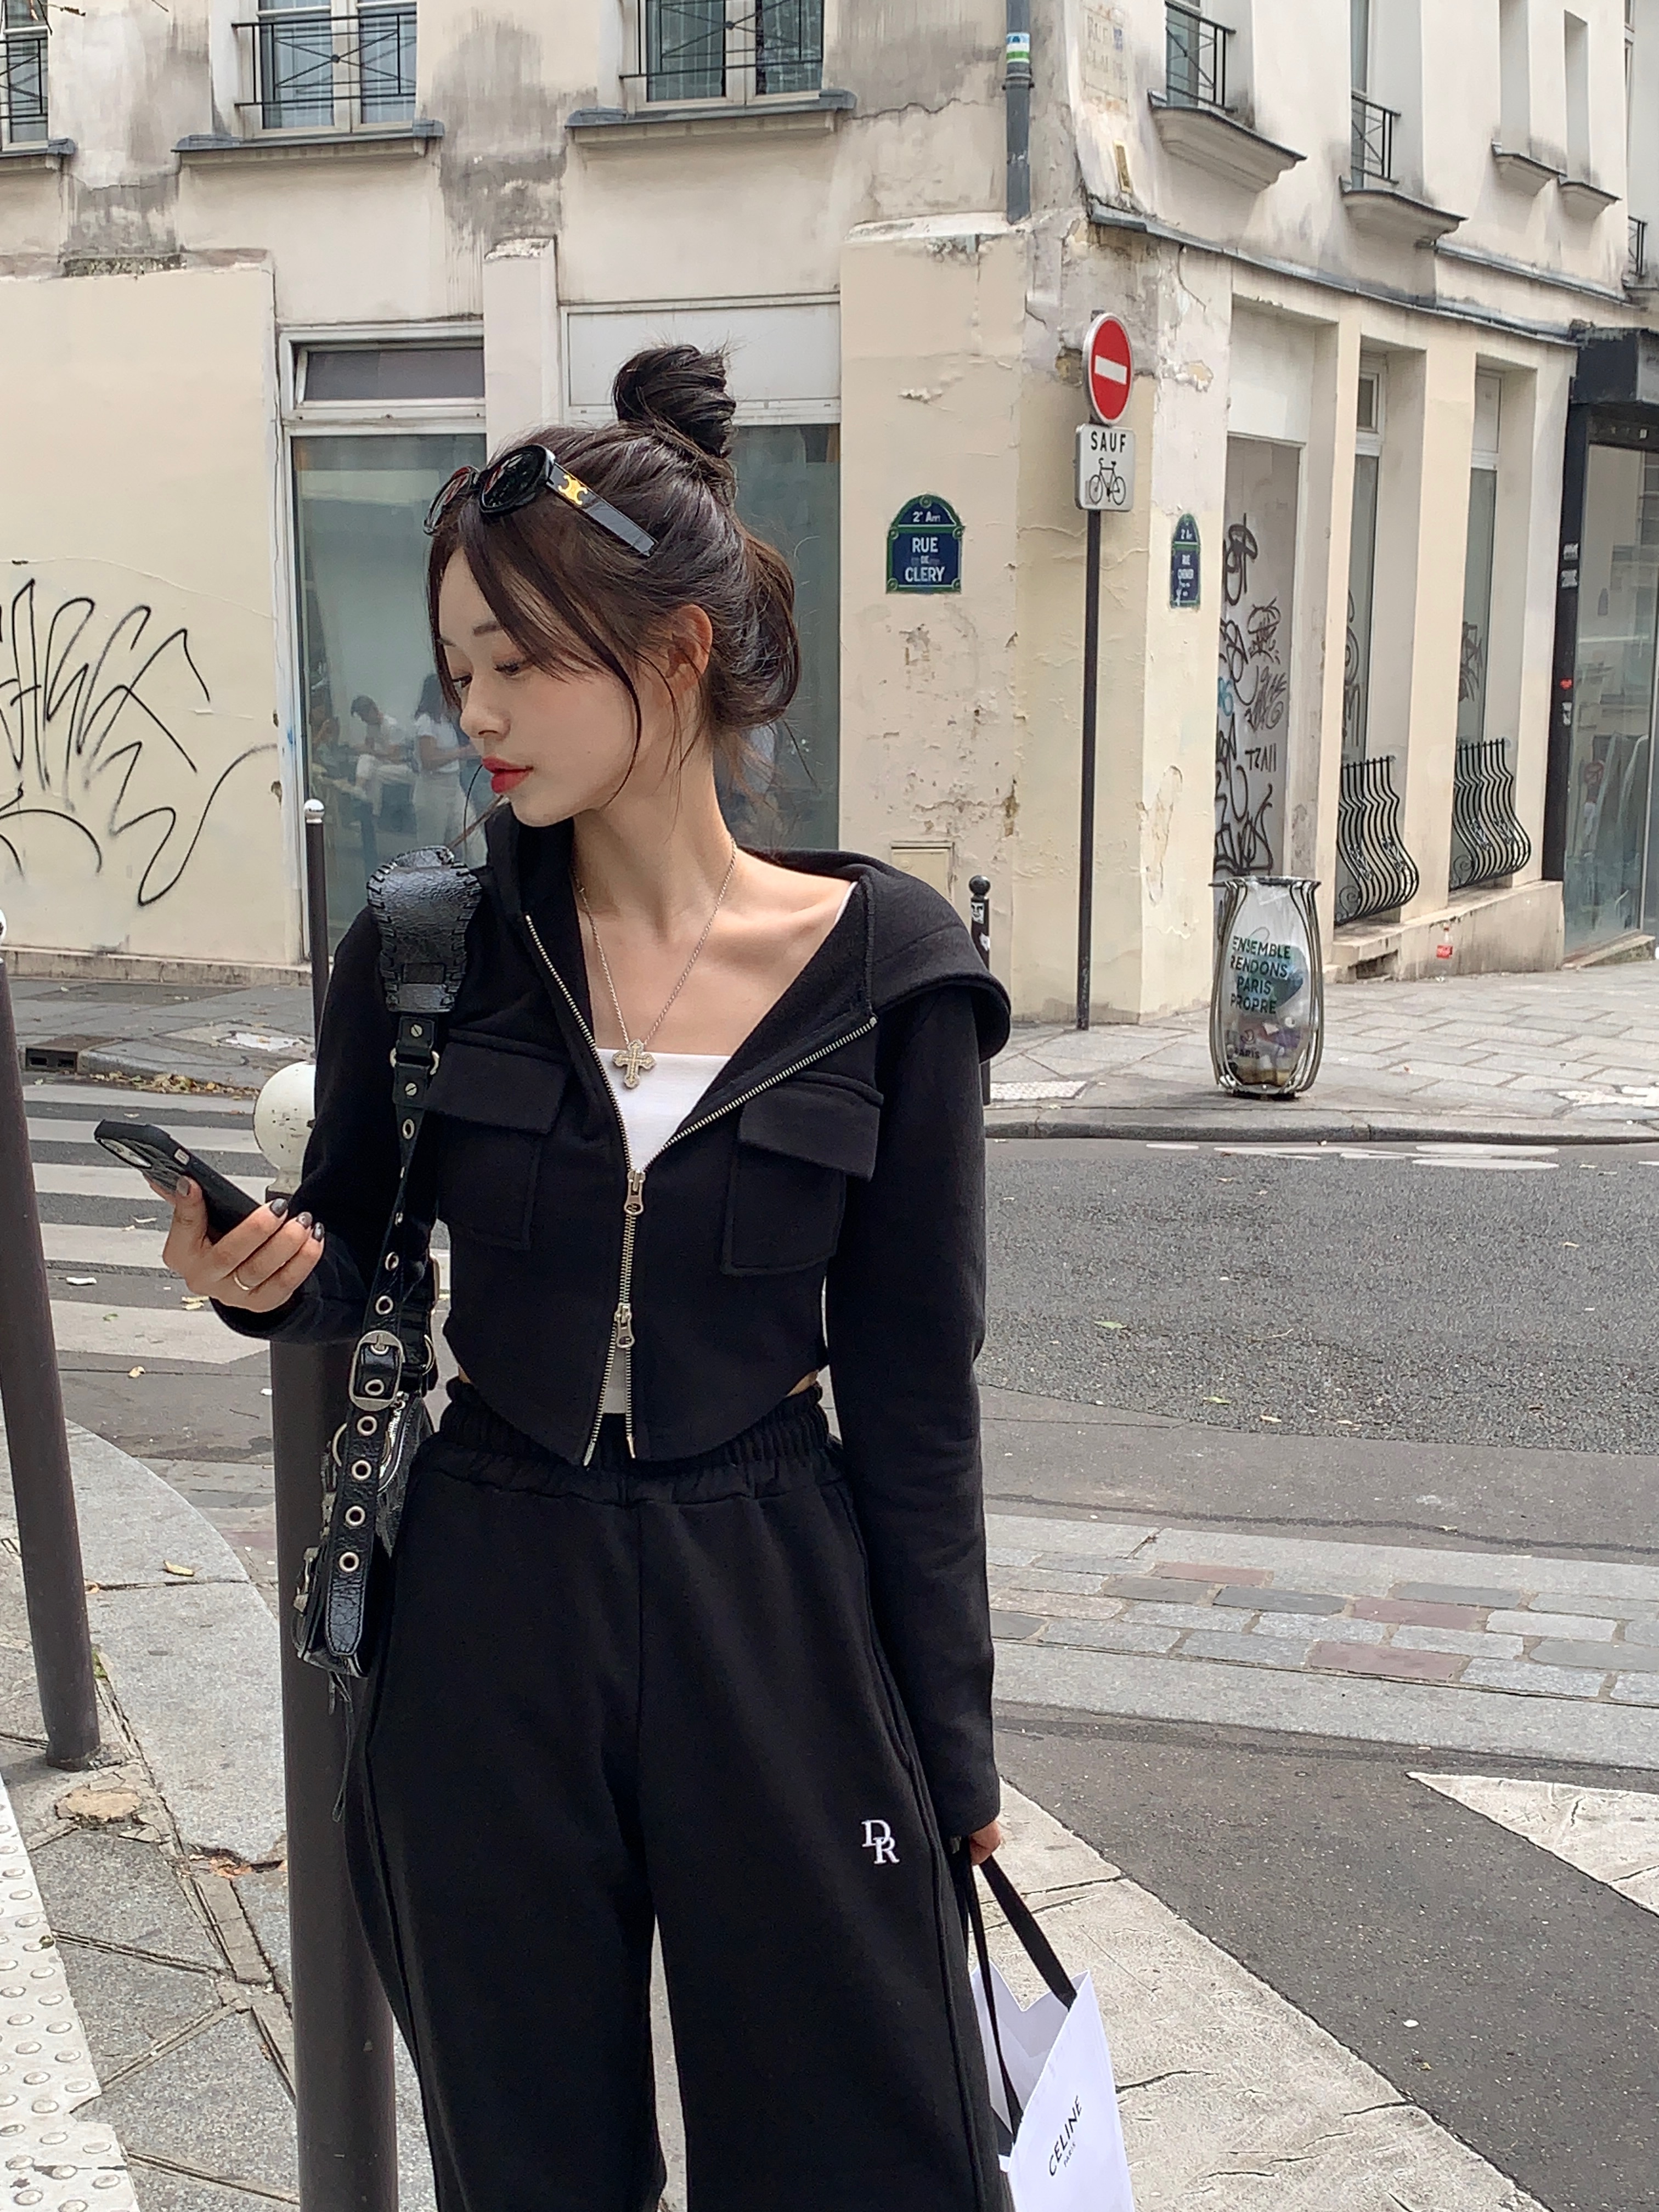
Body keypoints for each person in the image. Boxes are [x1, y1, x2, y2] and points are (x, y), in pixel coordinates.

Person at [152, 345, 1012, 2211]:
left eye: (518, 665)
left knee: (853, 2147)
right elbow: (358, 1261)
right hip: (491, 1594)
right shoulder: (422, 947)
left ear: (676, 656)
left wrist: (952, 1755)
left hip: (773, 1591)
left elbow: (918, 1403)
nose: (475, 711)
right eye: (457, 667)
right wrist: (257, 1274)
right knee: (527, 2156)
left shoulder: (891, 973)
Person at [411, 670, 470, 849]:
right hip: (433, 788)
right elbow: (428, 760)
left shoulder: (446, 721)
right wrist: (461, 753)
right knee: (433, 843)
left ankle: (477, 865)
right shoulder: (426, 721)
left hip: (454, 785)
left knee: (470, 835)